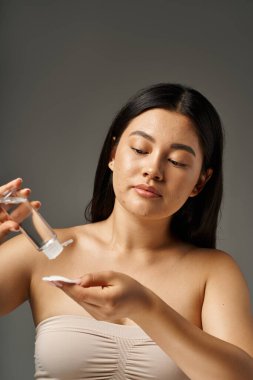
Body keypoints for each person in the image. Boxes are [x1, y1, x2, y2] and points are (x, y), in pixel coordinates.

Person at [0, 83, 253, 380]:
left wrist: (147, 307)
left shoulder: (214, 272)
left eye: (177, 161)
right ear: (113, 154)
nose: (153, 170)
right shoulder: (40, 252)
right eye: (140, 149)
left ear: (200, 181)